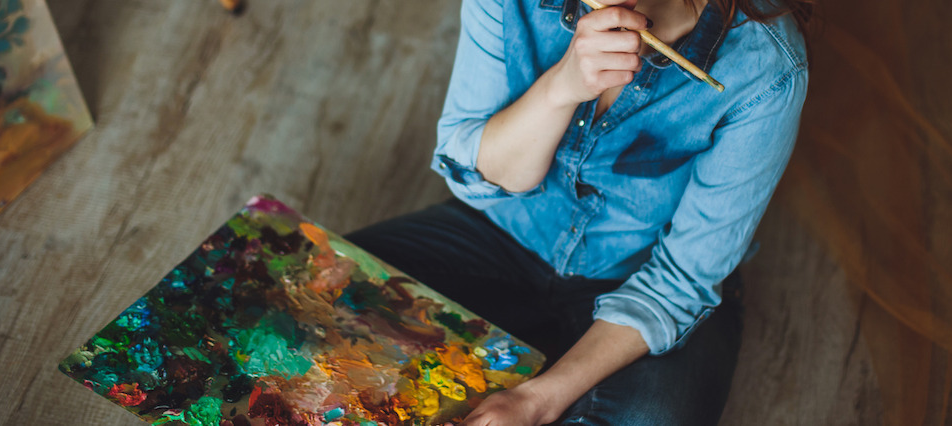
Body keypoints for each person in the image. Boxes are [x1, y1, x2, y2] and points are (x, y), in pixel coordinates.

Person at [344, 0, 811, 424]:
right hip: (498, 231)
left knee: (650, 418)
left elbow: (681, 282)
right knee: (319, 293)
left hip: (640, 277)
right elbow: (475, 175)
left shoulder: (766, 68)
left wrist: (536, 400)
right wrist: (561, 87)